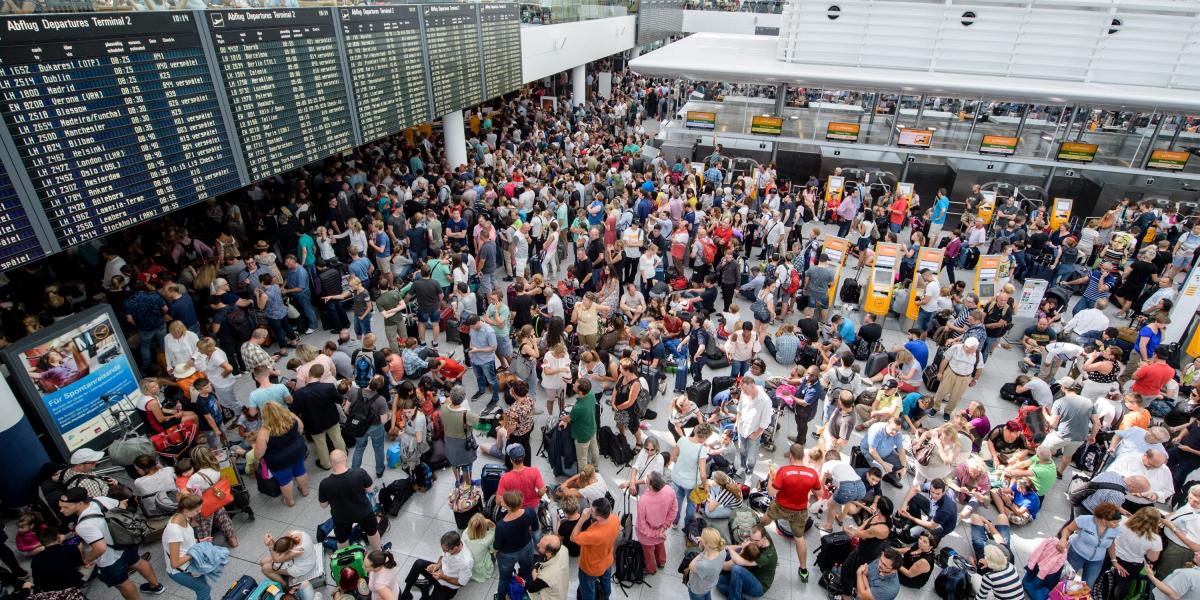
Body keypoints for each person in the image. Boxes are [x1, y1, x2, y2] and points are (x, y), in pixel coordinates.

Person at [58, 488, 166, 600]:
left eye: (65, 507)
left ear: (80, 503)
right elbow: (122, 505)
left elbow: (100, 548)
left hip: (109, 560)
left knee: (123, 583)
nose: (61, 510)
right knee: (138, 561)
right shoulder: (99, 500)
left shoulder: (83, 526)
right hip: (126, 542)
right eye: (60, 506)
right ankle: (156, 586)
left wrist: (86, 560)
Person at [763, 443, 818, 581]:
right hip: (800, 511)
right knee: (799, 538)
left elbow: (771, 492)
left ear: (791, 456)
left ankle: (754, 533)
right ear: (803, 456)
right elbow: (820, 492)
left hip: (780, 506)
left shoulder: (784, 471)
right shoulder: (812, 473)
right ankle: (804, 570)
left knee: (766, 519)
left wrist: (771, 479)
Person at [318, 449, 381, 551]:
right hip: (364, 512)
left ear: (331, 463)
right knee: (372, 532)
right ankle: (378, 552)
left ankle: (345, 559)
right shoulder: (360, 473)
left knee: (342, 539)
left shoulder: (325, 484)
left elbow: (323, 505)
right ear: (346, 459)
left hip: (341, 517)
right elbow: (370, 490)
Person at [290, 364, 346, 470]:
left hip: (313, 423)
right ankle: (343, 457)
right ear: (321, 375)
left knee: (321, 444)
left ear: (309, 374)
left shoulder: (300, 393)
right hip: (331, 419)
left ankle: (326, 464)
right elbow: (339, 400)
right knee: (337, 438)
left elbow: (295, 410)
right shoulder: (328, 387)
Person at [253, 402, 310, 507]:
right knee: (300, 470)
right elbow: (301, 428)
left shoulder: (265, 431)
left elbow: (259, 452)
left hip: (279, 460)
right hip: (297, 450)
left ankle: (290, 501)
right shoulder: (291, 418)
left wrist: (256, 458)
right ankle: (305, 491)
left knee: (285, 480)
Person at [1042, 377, 1101, 476]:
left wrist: (1044, 413)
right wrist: (1092, 436)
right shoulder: (1089, 402)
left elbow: (1053, 424)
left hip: (1061, 435)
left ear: (1063, 387)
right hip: (1079, 438)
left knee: (1043, 451)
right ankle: (1060, 472)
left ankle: (1042, 472)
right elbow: (1097, 423)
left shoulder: (1060, 402)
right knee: (1068, 455)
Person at [1058, 501, 1123, 586]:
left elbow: (1111, 543)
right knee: (1065, 581)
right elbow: (1068, 529)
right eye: (1114, 522)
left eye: (1118, 522)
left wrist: (1114, 561)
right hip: (1076, 554)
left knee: (1088, 585)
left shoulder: (1116, 529)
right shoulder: (1084, 520)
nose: (1117, 525)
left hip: (1097, 560)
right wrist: (1063, 539)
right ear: (1104, 519)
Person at [162, 493, 210, 600]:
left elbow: (185, 541)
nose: (199, 512)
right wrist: (194, 552)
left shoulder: (182, 517)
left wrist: (199, 541)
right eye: (197, 511)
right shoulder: (174, 531)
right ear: (186, 511)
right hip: (180, 570)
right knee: (204, 589)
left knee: (204, 587)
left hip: (191, 565)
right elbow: (174, 564)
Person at [572, 497, 621, 600]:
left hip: (591, 568)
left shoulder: (593, 534)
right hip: (607, 561)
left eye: (592, 510)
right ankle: (606, 597)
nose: (589, 510)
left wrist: (582, 518)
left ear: (599, 517)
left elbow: (573, 537)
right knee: (606, 585)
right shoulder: (614, 518)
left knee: (588, 592)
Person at [399, 533, 472, 600]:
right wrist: (437, 565)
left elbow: (461, 583)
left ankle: (426, 585)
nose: (444, 552)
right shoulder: (453, 542)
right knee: (419, 563)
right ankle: (406, 594)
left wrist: (443, 577)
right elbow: (442, 556)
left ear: (455, 548)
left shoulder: (466, 562)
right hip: (439, 572)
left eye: (445, 550)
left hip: (448, 586)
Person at [716, 524, 777, 600]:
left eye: (755, 541)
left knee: (736, 569)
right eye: (751, 539)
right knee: (720, 582)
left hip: (759, 586)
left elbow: (738, 561)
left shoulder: (767, 556)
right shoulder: (761, 538)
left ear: (764, 538)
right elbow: (739, 547)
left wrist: (728, 549)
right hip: (749, 573)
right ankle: (739, 595)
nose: (751, 542)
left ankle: (734, 598)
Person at [347, 375, 391, 479]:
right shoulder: (381, 400)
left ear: (370, 380)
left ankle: (354, 471)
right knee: (378, 448)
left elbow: (346, 409)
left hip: (358, 426)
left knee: (359, 447)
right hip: (375, 427)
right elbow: (384, 421)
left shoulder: (354, 391)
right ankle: (379, 470)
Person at [670, 422, 712, 527]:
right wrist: (704, 485)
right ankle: (687, 524)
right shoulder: (702, 449)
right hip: (691, 484)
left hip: (677, 478)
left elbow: (672, 457)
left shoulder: (682, 440)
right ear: (706, 437)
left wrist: (681, 463)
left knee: (677, 500)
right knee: (691, 504)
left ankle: (675, 521)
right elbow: (702, 473)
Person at [635, 472, 677, 575]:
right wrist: (664, 527)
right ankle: (661, 561)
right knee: (660, 543)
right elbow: (674, 510)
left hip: (647, 535)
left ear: (650, 485)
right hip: (661, 528)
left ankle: (651, 569)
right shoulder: (669, 490)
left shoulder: (643, 500)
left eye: (647, 478)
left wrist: (656, 533)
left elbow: (642, 525)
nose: (646, 477)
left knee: (648, 552)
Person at [734, 377, 773, 478]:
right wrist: (737, 423)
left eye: (746, 390)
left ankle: (749, 474)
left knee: (751, 458)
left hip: (753, 433)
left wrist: (755, 435)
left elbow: (765, 422)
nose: (744, 393)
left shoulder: (765, 401)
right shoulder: (744, 393)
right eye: (743, 390)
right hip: (742, 428)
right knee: (742, 450)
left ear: (752, 386)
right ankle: (742, 466)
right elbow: (740, 408)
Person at [861, 418, 908, 488]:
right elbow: (872, 451)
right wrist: (884, 464)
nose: (895, 432)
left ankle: (889, 478)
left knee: (901, 463)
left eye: (897, 430)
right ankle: (872, 487)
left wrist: (904, 467)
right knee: (880, 470)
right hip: (870, 453)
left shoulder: (898, 434)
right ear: (887, 424)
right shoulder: (876, 430)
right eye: (893, 429)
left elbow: (901, 450)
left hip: (888, 452)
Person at [497, 444, 545, 510]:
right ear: (524, 456)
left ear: (511, 460)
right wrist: (538, 497)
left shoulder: (505, 478)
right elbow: (542, 491)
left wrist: (510, 507)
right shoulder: (535, 471)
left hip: (516, 510)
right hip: (533, 507)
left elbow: (498, 501)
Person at [685, 528, 727, 600]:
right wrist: (705, 545)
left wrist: (702, 552)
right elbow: (710, 550)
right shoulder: (722, 551)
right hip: (709, 584)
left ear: (706, 544)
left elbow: (691, 566)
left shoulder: (704, 564)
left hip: (698, 589)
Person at [528, 534, 569, 600]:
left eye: (540, 546)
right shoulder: (563, 549)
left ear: (548, 553)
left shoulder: (545, 577)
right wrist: (536, 566)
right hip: (561, 590)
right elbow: (542, 557)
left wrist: (534, 573)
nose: (537, 545)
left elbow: (531, 589)